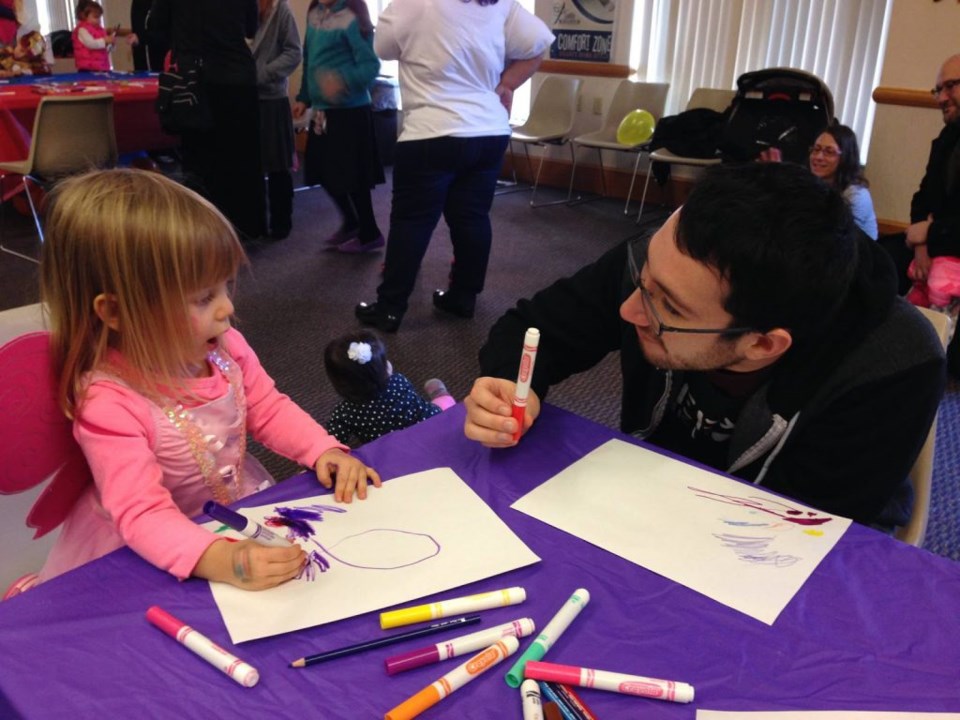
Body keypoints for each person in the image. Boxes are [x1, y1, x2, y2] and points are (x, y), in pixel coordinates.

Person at [464, 162, 946, 529]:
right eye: (644, 279)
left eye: (666, 308)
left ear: (762, 345)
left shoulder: (893, 363)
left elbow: (802, 532)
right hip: (649, 503)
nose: (630, 309)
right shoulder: (672, 261)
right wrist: (507, 381)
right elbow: (534, 326)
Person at [35, 169, 381, 589]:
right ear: (116, 313)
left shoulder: (224, 346)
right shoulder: (109, 402)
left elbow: (267, 408)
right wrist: (218, 558)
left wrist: (322, 449)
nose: (226, 308)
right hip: (149, 550)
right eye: (203, 298)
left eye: (224, 288)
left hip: (226, 518)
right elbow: (141, 514)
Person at [354, 0, 554, 333]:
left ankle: (389, 309)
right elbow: (540, 45)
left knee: (412, 222)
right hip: (487, 131)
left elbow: (383, 48)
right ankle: (463, 297)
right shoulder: (499, 3)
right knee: (472, 218)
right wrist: (506, 84)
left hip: (431, 133)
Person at [148, 0, 267, 242]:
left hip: (197, 79)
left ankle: (206, 232)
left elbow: (155, 27)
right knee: (242, 155)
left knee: (201, 158)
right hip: (238, 77)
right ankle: (248, 226)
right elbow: (250, 28)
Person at [879, 53, 960, 371]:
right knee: (877, 258)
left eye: (950, 86)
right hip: (935, 246)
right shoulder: (945, 140)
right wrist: (922, 247)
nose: (941, 98)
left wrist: (930, 232)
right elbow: (921, 199)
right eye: (937, 90)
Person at [292, 0, 385, 254]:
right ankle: (352, 223)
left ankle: (370, 233)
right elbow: (309, 57)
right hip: (323, 111)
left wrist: (342, 83)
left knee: (353, 177)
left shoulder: (353, 17)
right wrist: (304, 97)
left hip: (350, 111)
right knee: (321, 170)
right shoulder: (314, 13)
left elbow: (371, 67)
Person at [324, 331, 455, 445]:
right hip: (425, 429)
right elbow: (417, 407)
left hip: (386, 450)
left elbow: (333, 441)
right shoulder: (399, 381)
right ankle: (443, 397)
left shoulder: (344, 413)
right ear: (385, 369)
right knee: (442, 412)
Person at [760, 124, 877, 240]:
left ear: (845, 157)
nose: (818, 157)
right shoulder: (811, 185)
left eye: (829, 152)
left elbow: (841, 241)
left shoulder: (856, 195)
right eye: (816, 149)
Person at [251, 0, 301, 240]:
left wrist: (264, 73)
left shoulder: (282, 11)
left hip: (272, 97)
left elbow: (294, 52)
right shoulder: (241, 10)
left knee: (278, 164)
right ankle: (255, 222)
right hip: (244, 97)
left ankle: (282, 221)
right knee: (251, 165)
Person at [71, 0, 135, 72]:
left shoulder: (100, 30)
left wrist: (111, 43)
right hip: (87, 69)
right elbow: (91, 44)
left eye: (99, 17)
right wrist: (105, 40)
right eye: (95, 17)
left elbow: (106, 49)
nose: (98, 20)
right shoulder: (82, 30)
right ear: (83, 16)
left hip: (101, 67)